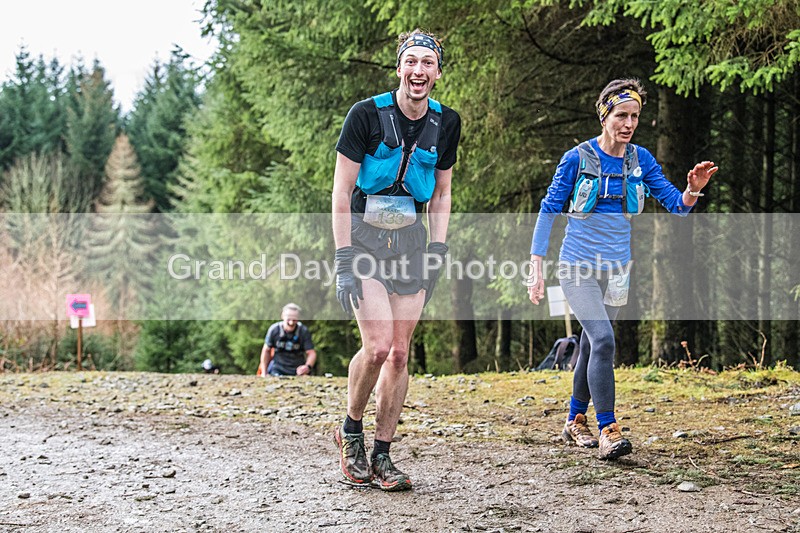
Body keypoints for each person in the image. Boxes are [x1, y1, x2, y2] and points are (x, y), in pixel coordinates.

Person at [528, 79, 717, 460]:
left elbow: (677, 206)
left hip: (616, 271)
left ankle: (574, 420)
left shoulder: (640, 160)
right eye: (621, 115)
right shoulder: (576, 159)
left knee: (588, 343)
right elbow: (548, 210)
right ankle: (609, 429)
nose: (628, 123)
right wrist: (536, 266)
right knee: (604, 340)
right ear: (604, 115)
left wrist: (693, 190)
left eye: (634, 116)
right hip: (577, 266)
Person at [331, 29, 461, 490]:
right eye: (412, 62)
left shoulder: (447, 123)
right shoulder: (365, 115)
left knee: (401, 354)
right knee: (379, 346)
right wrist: (344, 258)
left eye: (428, 63)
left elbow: (442, 192)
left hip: (410, 242)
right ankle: (351, 430)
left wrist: (438, 251)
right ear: (400, 68)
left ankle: (383, 455)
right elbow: (342, 191)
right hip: (365, 239)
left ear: (438, 72)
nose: (419, 71)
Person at [258, 303, 317, 377]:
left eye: (294, 320)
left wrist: (307, 366)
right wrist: (264, 372)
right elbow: (266, 351)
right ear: (282, 316)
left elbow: (311, 353)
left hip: (298, 371)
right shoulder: (274, 330)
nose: (291, 322)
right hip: (277, 369)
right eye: (288, 319)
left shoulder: (303, 331)